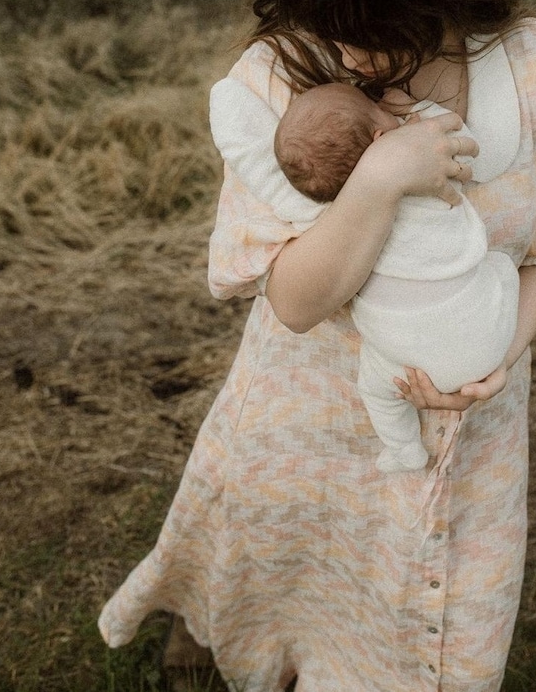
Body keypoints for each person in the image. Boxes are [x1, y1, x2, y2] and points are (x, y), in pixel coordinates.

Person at [99, 0, 536, 692]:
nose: (342, 54)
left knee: (438, 626)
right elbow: (295, 302)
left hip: (473, 435)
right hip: (309, 418)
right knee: (280, 580)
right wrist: (379, 179)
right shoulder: (278, 79)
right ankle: (211, 634)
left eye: (370, 32)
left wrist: (500, 347)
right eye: (327, 23)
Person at [217, 78, 520, 472]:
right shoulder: (427, 171)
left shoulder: (317, 214)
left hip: (399, 355)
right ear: (380, 135)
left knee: (377, 391)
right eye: (378, 108)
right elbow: (455, 140)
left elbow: (256, 165)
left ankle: (403, 449)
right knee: (500, 268)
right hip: (483, 340)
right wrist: (416, 109)